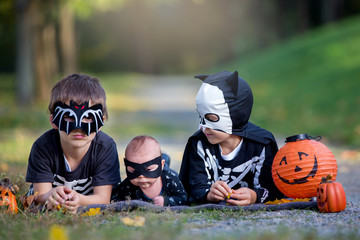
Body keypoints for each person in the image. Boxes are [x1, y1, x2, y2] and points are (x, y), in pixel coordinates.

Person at [179, 70, 284, 205]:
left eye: (211, 118)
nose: (203, 127)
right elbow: (194, 188)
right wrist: (208, 194)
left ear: (236, 113)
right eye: (201, 117)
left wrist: (254, 195)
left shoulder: (261, 144)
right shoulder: (199, 144)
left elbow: (272, 189)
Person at [26, 73, 121, 213]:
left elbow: (103, 199)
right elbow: (39, 196)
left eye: (89, 117)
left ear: (100, 122)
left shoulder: (105, 148)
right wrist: (50, 196)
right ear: (53, 121)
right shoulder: (43, 147)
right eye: (69, 117)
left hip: (84, 199)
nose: (79, 127)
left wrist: (78, 200)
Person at [112, 135, 187, 206]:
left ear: (160, 165)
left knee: (166, 168)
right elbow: (114, 199)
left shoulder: (171, 180)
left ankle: (165, 160)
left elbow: (183, 198)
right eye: (134, 170)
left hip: (165, 171)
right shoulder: (127, 185)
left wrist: (166, 201)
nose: (141, 176)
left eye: (148, 169)